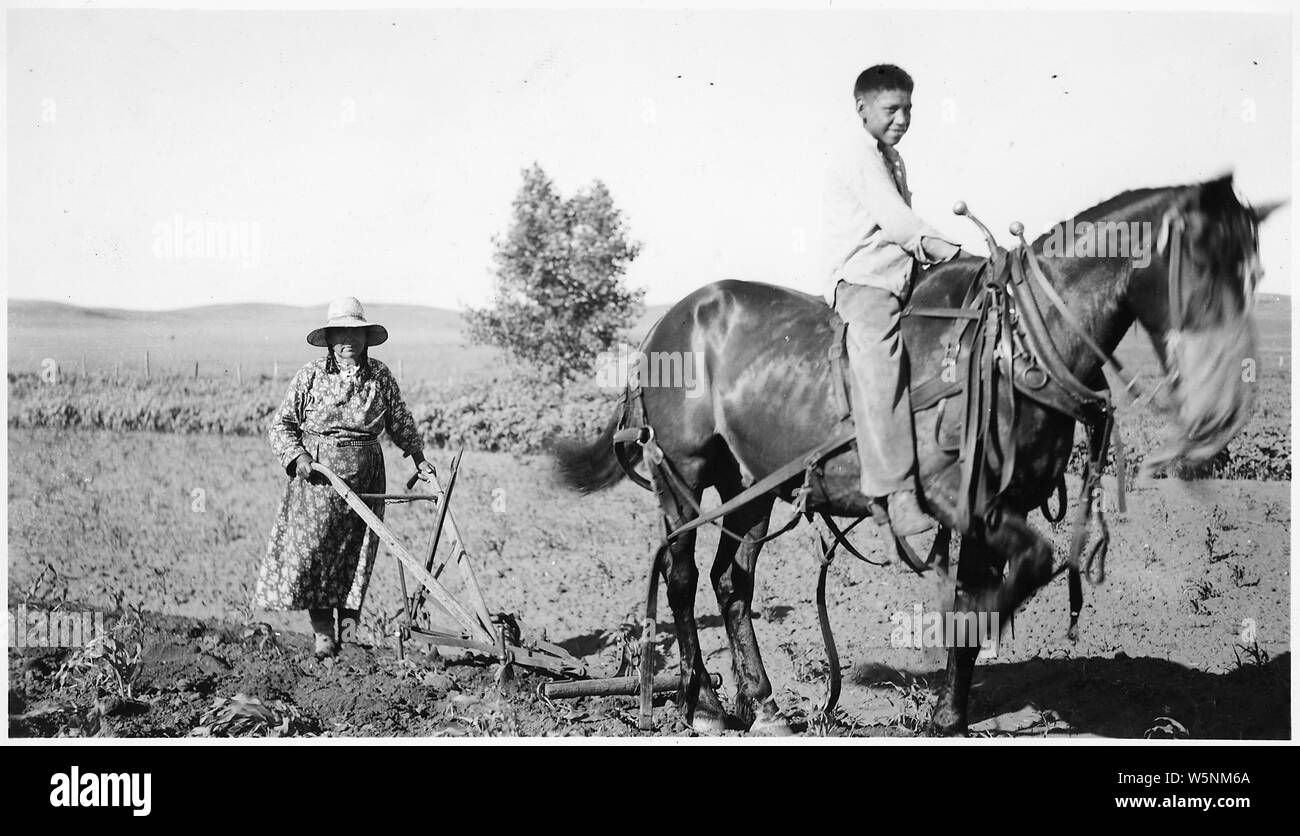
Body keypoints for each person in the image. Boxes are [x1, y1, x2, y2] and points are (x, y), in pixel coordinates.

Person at [821, 64, 965, 537]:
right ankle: (896, 493)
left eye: (908, 108)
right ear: (861, 108)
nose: (902, 118)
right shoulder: (858, 155)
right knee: (881, 360)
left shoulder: (890, 157)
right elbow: (900, 224)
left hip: (901, 278)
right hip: (865, 284)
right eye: (891, 109)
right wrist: (958, 254)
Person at [255, 296, 435, 658]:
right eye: (340, 332)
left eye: (355, 332)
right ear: (330, 337)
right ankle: (323, 634)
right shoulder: (310, 376)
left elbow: (399, 421)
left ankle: (349, 633)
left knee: (358, 553)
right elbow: (281, 427)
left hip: (368, 475)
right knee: (317, 553)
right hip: (319, 479)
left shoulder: (380, 375)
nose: (348, 340)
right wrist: (300, 456)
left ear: (366, 337)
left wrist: (419, 460)